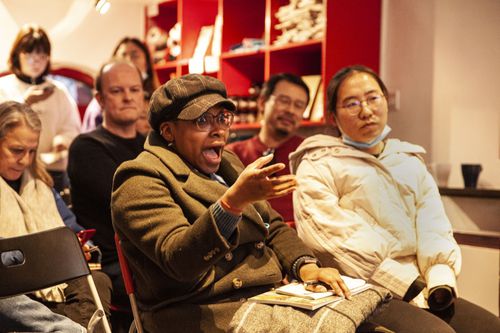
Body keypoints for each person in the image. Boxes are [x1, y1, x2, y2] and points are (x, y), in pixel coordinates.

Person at [110, 74, 393, 333]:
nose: (218, 130)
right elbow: (179, 260)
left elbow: (272, 226)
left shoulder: (229, 164)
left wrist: (307, 267)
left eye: (222, 118)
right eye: (201, 121)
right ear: (169, 132)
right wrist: (233, 202)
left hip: (269, 302)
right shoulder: (139, 178)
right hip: (206, 316)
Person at [290, 65, 500, 333]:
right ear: (333, 116)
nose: (365, 111)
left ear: (385, 101)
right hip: (360, 287)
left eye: (373, 98)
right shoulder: (318, 163)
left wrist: (439, 279)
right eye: (351, 104)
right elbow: (330, 238)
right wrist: (408, 284)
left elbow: (434, 225)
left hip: (423, 282)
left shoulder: (407, 160)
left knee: (491, 327)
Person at [0, 101, 111, 332]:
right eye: (17, 150)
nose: (25, 160)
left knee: (97, 281)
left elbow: (71, 230)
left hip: (54, 282)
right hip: (13, 288)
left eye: (32, 151)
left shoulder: (42, 186)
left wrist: (83, 246)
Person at [68, 59, 146, 303]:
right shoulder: (86, 147)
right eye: (117, 91)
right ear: (100, 100)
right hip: (117, 263)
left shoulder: (153, 146)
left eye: (134, 90)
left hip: (157, 254)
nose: (128, 97)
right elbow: (132, 204)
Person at [0, 23, 81, 192]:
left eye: (42, 54)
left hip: (51, 170)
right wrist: (25, 102)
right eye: (29, 53)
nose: (36, 60)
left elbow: (71, 127)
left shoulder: (59, 91)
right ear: (17, 55)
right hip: (11, 171)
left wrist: (62, 141)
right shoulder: (3, 86)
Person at [226, 73, 309, 222]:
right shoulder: (232, 154)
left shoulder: (310, 153)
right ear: (262, 103)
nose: (291, 110)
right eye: (284, 101)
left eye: (299, 105)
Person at [82, 37, 160, 133]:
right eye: (116, 91)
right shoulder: (98, 106)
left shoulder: (158, 100)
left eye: (134, 56)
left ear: (147, 63)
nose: (128, 60)